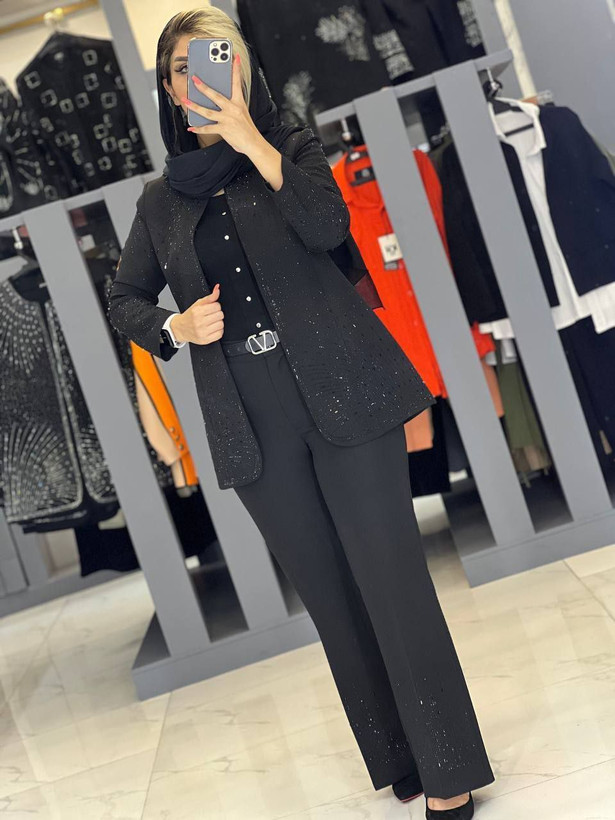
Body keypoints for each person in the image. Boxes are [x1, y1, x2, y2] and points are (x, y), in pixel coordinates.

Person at [107, 8, 495, 818]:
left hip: (347, 390)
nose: (200, 79)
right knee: (330, 595)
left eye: (215, 60)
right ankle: (400, 757)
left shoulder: (293, 149)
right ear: (168, 89)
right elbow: (125, 298)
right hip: (251, 420)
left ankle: (449, 767)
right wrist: (175, 328)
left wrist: (252, 141)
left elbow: (327, 226)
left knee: (392, 580)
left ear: (241, 68)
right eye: (182, 68)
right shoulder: (158, 202)